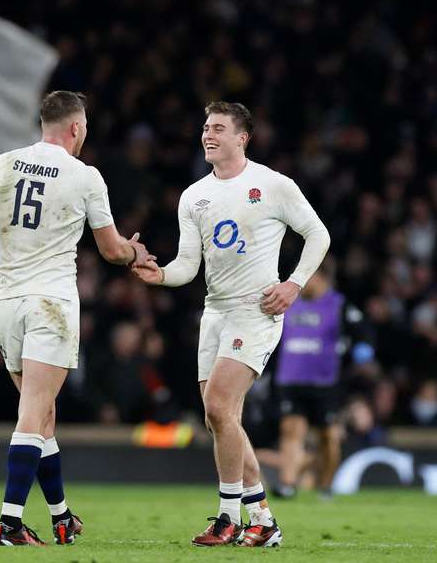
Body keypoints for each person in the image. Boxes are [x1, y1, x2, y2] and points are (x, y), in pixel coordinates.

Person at [0, 90, 149, 546]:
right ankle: (9, 524)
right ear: (75, 128)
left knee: (42, 415)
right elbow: (110, 250)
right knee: (32, 414)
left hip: (6, 304)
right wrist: (135, 252)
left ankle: (61, 515)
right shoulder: (85, 176)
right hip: (50, 303)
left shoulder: (0, 165)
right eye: (84, 125)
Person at [132, 101, 330, 547]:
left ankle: (227, 519)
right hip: (215, 311)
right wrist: (159, 274)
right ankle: (261, 518)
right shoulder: (194, 196)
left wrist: (295, 284)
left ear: (243, 138)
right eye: (205, 127)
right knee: (219, 419)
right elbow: (187, 265)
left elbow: (319, 234)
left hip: (256, 309)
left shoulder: (273, 185)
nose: (208, 134)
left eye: (218, 128)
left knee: (220, 406)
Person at [272, 257, 373, 499]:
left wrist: (364, 348)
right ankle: (287, 484)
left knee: (327, 436)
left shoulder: (338, 305)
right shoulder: (289, 302)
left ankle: (326, 485)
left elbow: (363, 331)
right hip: (290, 377)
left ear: (322, 276)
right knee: (291, 430)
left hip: (325, 381)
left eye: (307, 276)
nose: (301, 282)